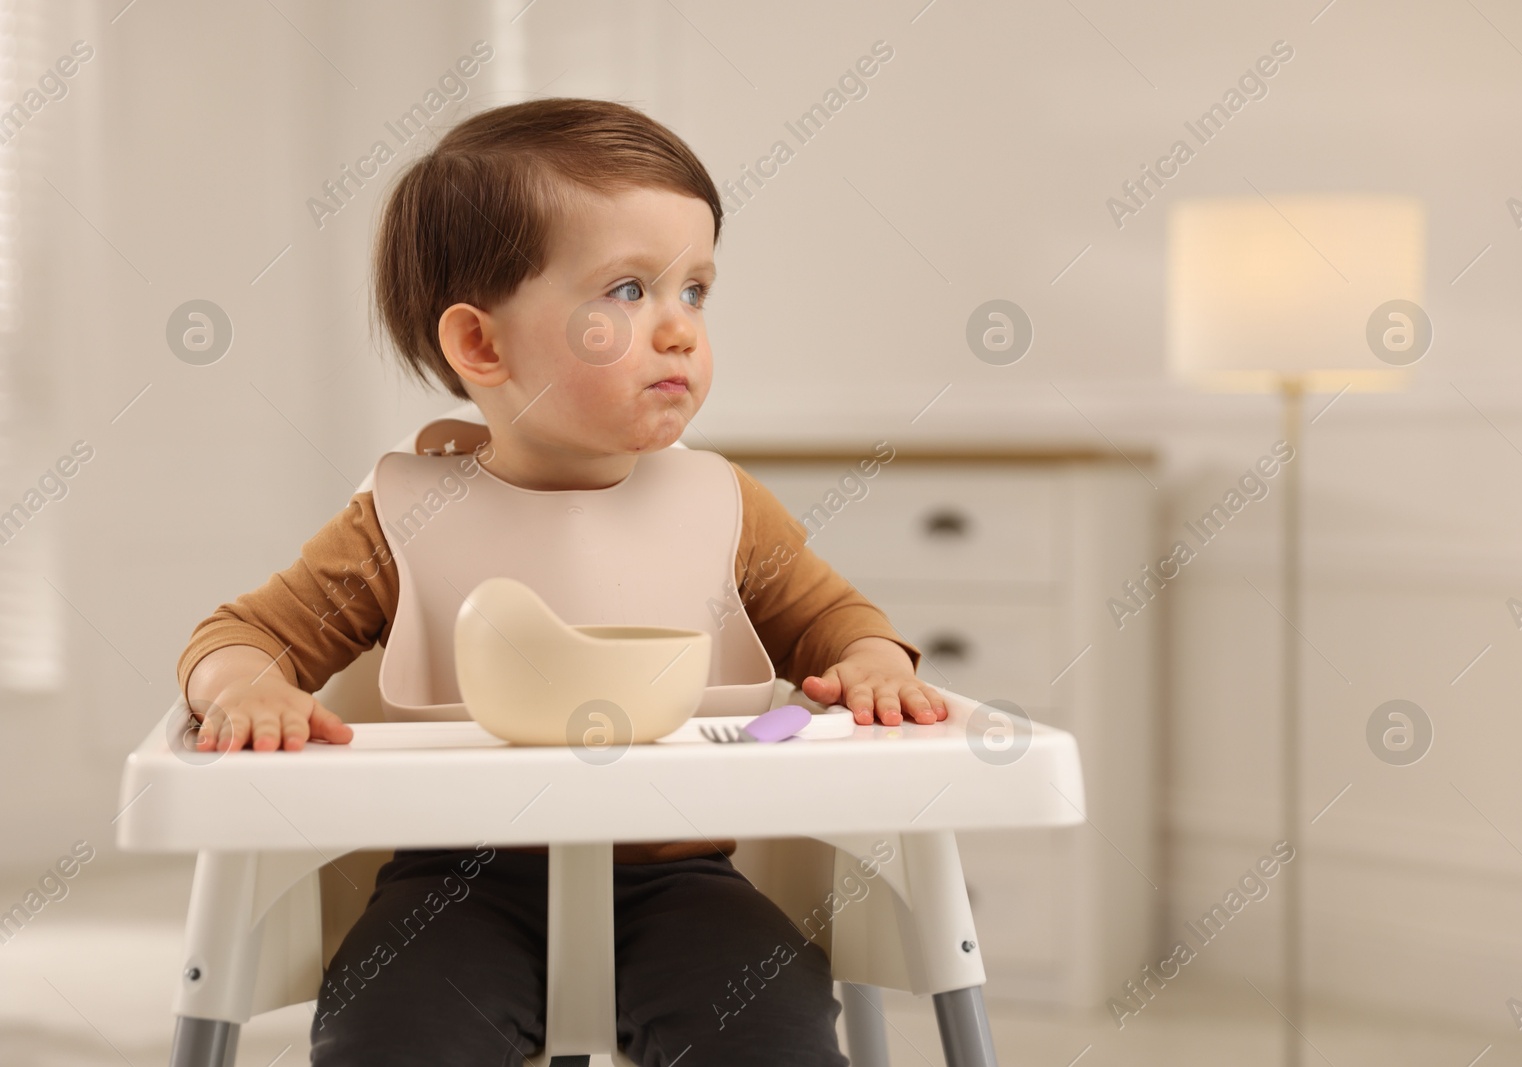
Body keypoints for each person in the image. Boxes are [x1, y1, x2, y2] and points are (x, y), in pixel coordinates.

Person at [175, 97, 948, 1066]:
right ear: (481, 345)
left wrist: (874, 663)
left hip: (681, 880)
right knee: (390, 1032)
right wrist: (246, 686)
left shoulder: (726, 507)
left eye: (695, 291)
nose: (677, 329)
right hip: (452, 882)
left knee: (771, 1029)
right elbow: (241, 634)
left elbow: (837, 624)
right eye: (628, 290)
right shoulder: (399, 519)